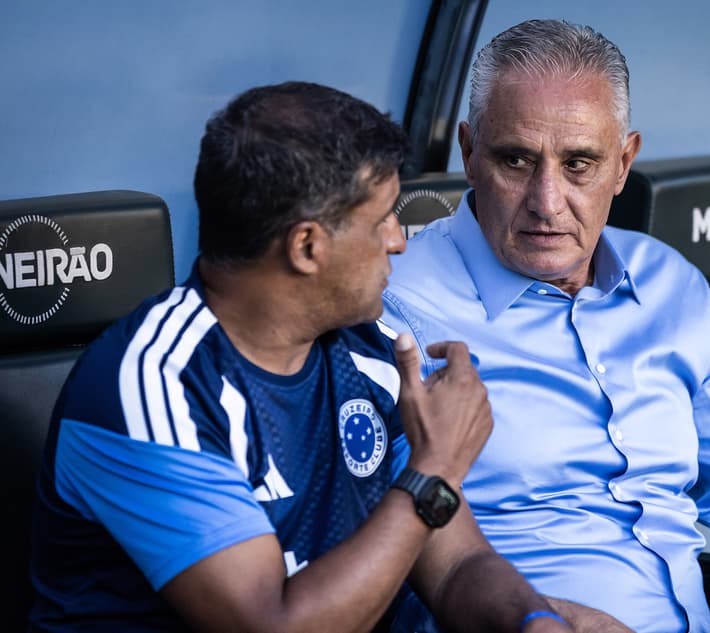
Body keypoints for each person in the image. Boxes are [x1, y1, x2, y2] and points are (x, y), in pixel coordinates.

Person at [28, 81, 626, 633]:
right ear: (307, 246)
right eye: (382, 218)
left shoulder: (370, 354)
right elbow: (273, 625)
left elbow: (457, 565)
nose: (400, 238)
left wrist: (533, 622)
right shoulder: (154, 383)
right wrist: (435, 469)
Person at [381, 19, 710, 633]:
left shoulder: (672, 287)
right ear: (470, 153)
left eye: (579, 164)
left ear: (624, 163)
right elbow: (410, 535)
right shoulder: (399, 307)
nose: (547, 200)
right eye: (516, 160)